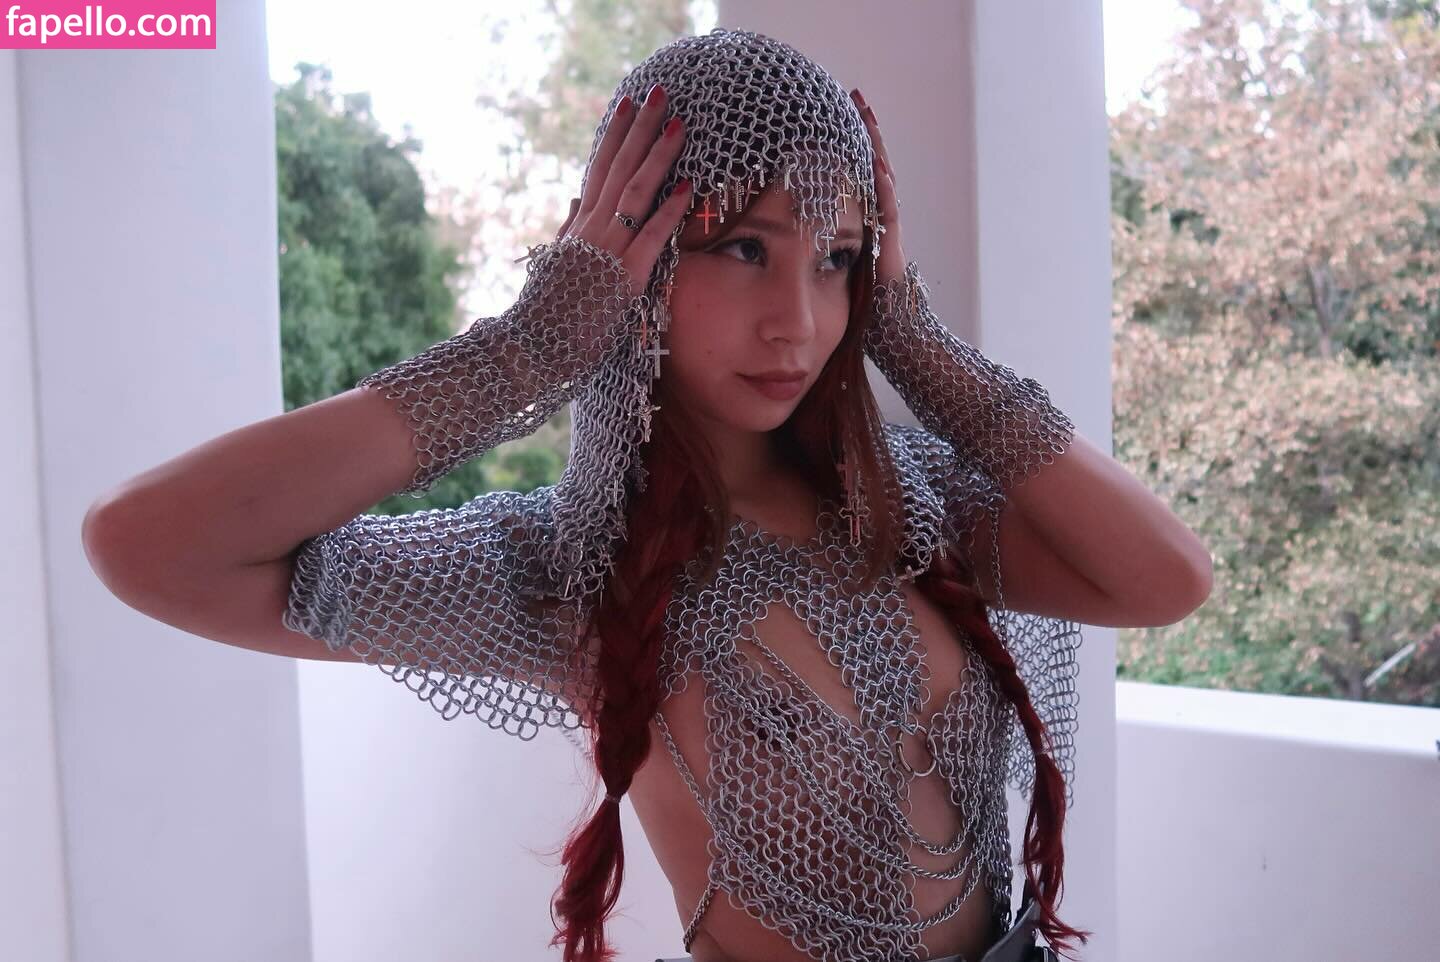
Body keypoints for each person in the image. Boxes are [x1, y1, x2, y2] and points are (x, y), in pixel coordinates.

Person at [83, 27, 1213, 962]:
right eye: (745, 248)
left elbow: (1167, 578)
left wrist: (916, 341)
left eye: (835, 258)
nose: (799, 322)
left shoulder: (917, 505)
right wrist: (527, 350)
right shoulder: (571, 569)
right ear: (643, 251)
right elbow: (147, 544)